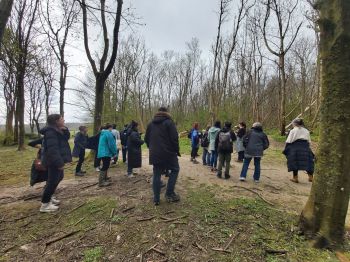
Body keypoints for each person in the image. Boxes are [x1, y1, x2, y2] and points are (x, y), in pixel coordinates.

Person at [145, 107, 181, 205]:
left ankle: (156, 199)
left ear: (158, 112)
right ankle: (169, 194)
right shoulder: (169, 122)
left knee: (156, 174)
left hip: (155, 154)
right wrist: (176, 151)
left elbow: (146, 139)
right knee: (175, 169)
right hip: (169, 153)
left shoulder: (150, 124)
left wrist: (152, 148)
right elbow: (174, 139)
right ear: (166, 113)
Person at [39, 114, 72, 212]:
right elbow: (53, 150)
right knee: (52, 181)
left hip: (55, 160)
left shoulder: (57, 130)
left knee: (59, 177)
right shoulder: (50, 132)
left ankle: (49, 197)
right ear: (56, 121)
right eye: (62, 119)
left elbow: (65, 138)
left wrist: (64, 129)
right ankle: (45, 205)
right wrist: (59, 163)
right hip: (53, 161)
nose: (64, 120)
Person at [283, 118, 314, 183]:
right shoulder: (306, 130)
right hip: (305, 146)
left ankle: (295, 178)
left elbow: (289, 141)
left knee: (295, 162)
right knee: (308, 162)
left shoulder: (293, 130)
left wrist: (285, 149)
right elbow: (309, 141)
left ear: (295, 124)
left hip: (295, 147)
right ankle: (311, 177)